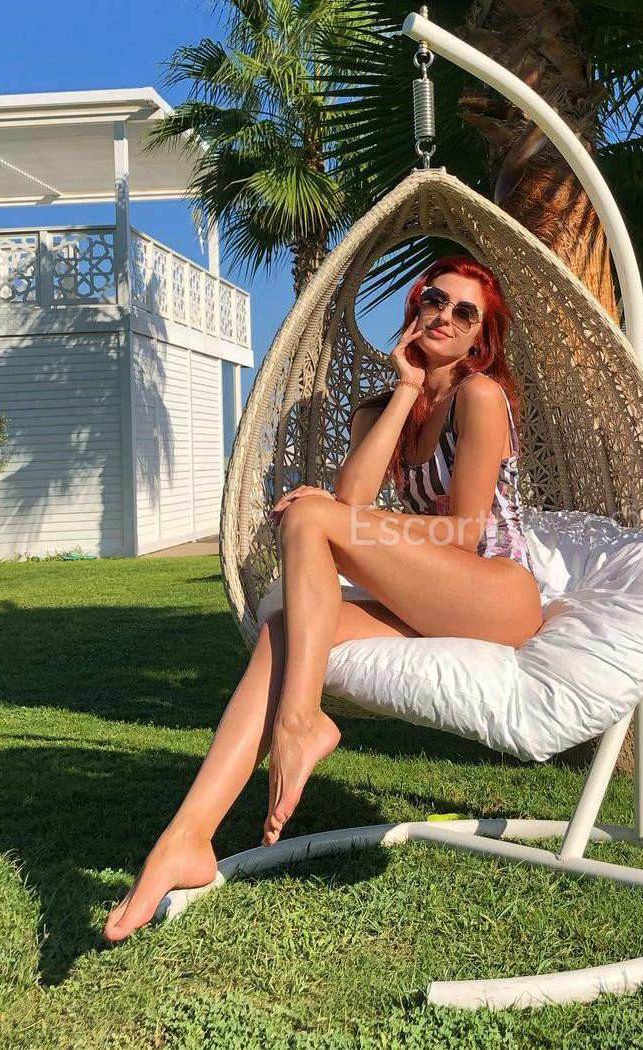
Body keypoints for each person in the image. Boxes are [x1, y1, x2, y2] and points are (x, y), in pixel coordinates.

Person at [103, 255, 545, 942]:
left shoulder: (479, 396)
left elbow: (463, 532)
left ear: (480, 338)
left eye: (466, 313)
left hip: (495, 593)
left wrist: (342, 517)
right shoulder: (382, 408)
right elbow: (355, 499)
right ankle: (186, 839)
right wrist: (405, 389)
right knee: (283, 630)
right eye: (436, 299)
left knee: (310, 516)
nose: (447, 316)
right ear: (416, 306)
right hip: (430, 599)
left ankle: (301, 721)